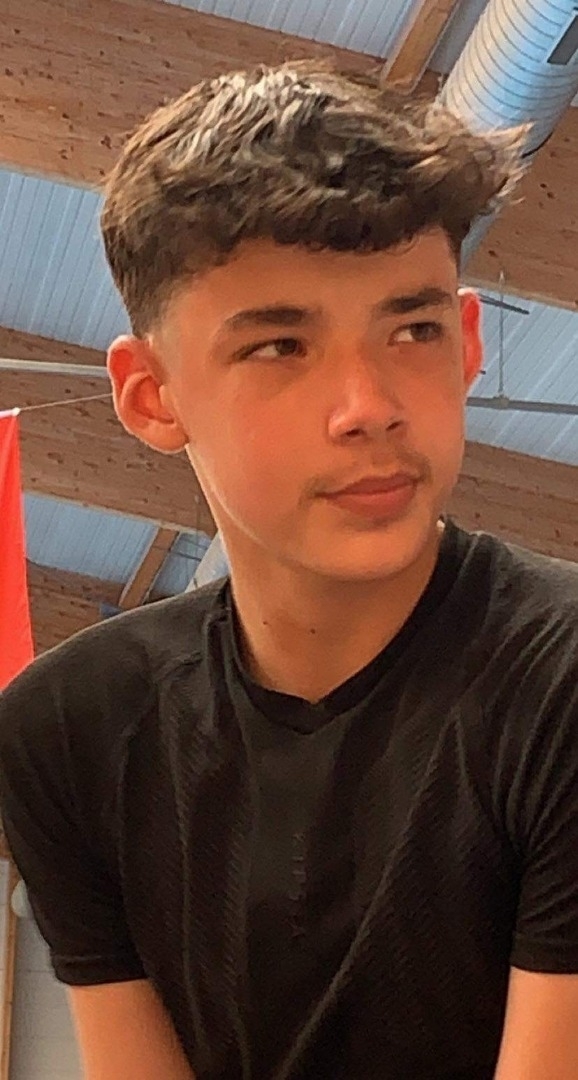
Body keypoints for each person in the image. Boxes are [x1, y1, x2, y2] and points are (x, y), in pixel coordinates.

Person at [0, 61, 577, 1080]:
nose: (368, 406)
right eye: (279, 347)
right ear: (150, 395)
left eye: (411, 330)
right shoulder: (67, 731)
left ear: (466, 341)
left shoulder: (557, 682)